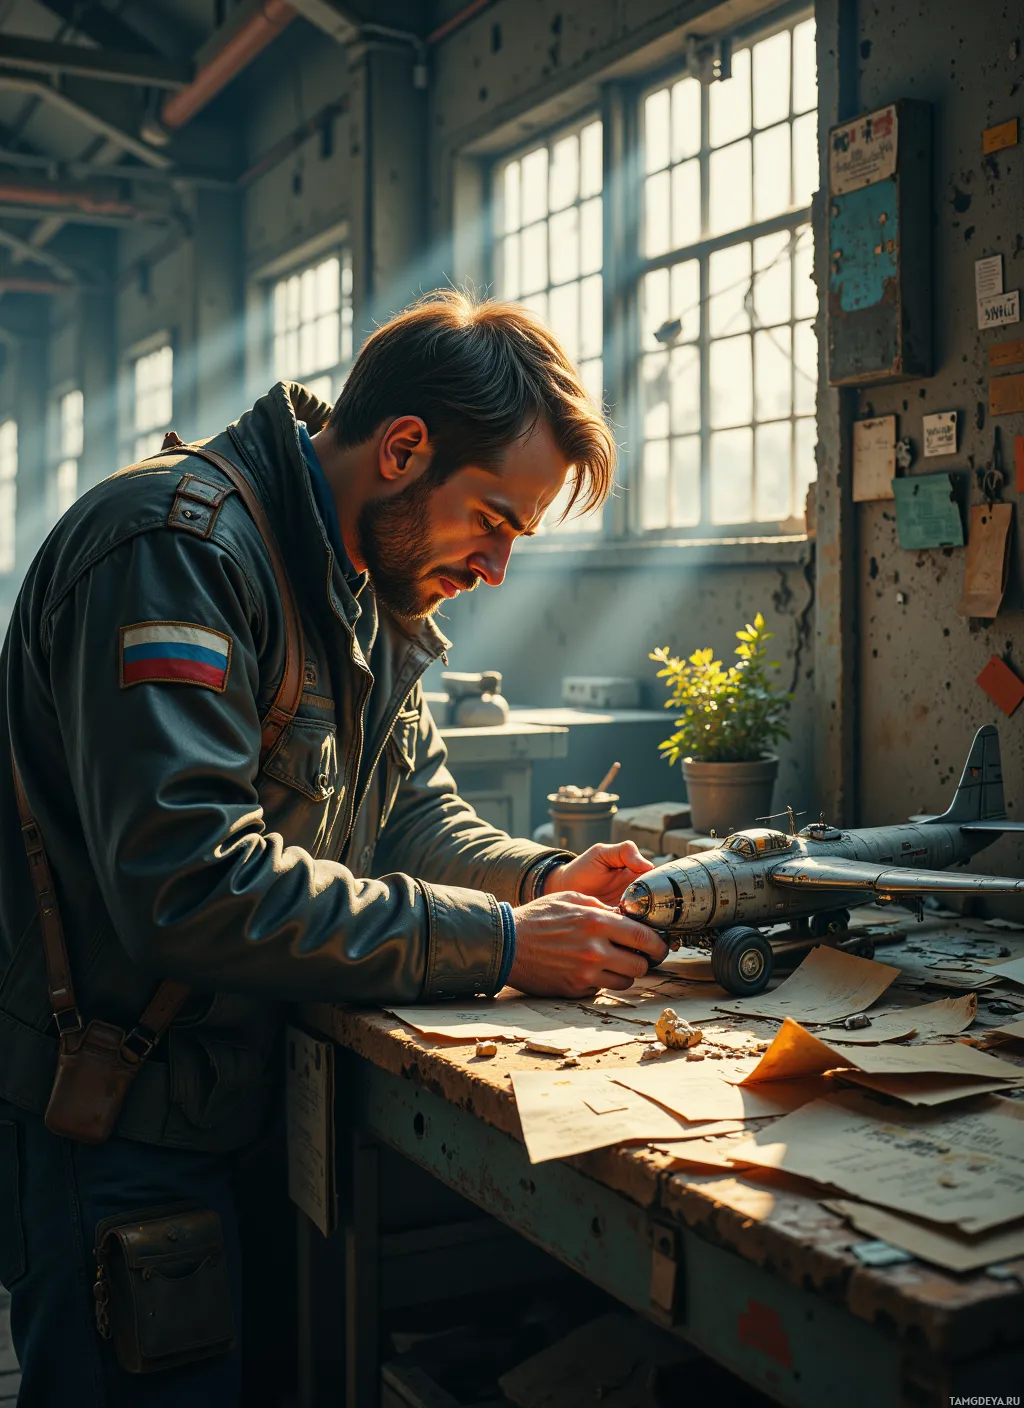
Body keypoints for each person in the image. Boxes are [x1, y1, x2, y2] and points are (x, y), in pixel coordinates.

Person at [0, 290, 666, 1405]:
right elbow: (190, 884)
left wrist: (543, 879)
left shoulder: (364, 587)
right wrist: (505, 941)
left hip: (250, 1094)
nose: (497, 568)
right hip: (120, 1119)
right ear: (404, 448)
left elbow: (412, 816)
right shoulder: (178, 552)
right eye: (495, 521)